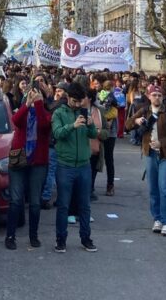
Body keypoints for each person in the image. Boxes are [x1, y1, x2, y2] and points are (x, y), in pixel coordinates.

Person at [126, 83, 166, 236]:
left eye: (159, 95)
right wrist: (135, 121)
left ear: (163, 97)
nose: (157, 97)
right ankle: (157, 219)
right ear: (149, 97)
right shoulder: (144, 111)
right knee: (153, 190)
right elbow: (127, 124)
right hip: (150, 154)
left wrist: (162, 143)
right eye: (154, 95)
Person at [51, 82, 98, 254]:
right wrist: (73, 126)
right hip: (65, 165)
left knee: (85, 205)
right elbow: (57, 133)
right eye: (75, 101)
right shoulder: (59, 113)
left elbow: (93, 135)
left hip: (84, 165)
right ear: (68, 98)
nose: (78, 105)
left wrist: (91, 124)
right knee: (63, 205)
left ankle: (86, 238)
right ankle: (60, 240)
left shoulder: (84, 111)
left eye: (81, 102)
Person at [6, 84, 51, 249]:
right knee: (16, 200)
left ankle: (33, 235)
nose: (33, 97)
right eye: (31, 95)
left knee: (35, 202)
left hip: (38, 162)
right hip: (19, 158)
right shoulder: (22, 112)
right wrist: (27, 104)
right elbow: (15, 121)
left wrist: (38, 103)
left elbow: (44, 126)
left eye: (37, 95)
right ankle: (10, 236)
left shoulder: (45, 114)